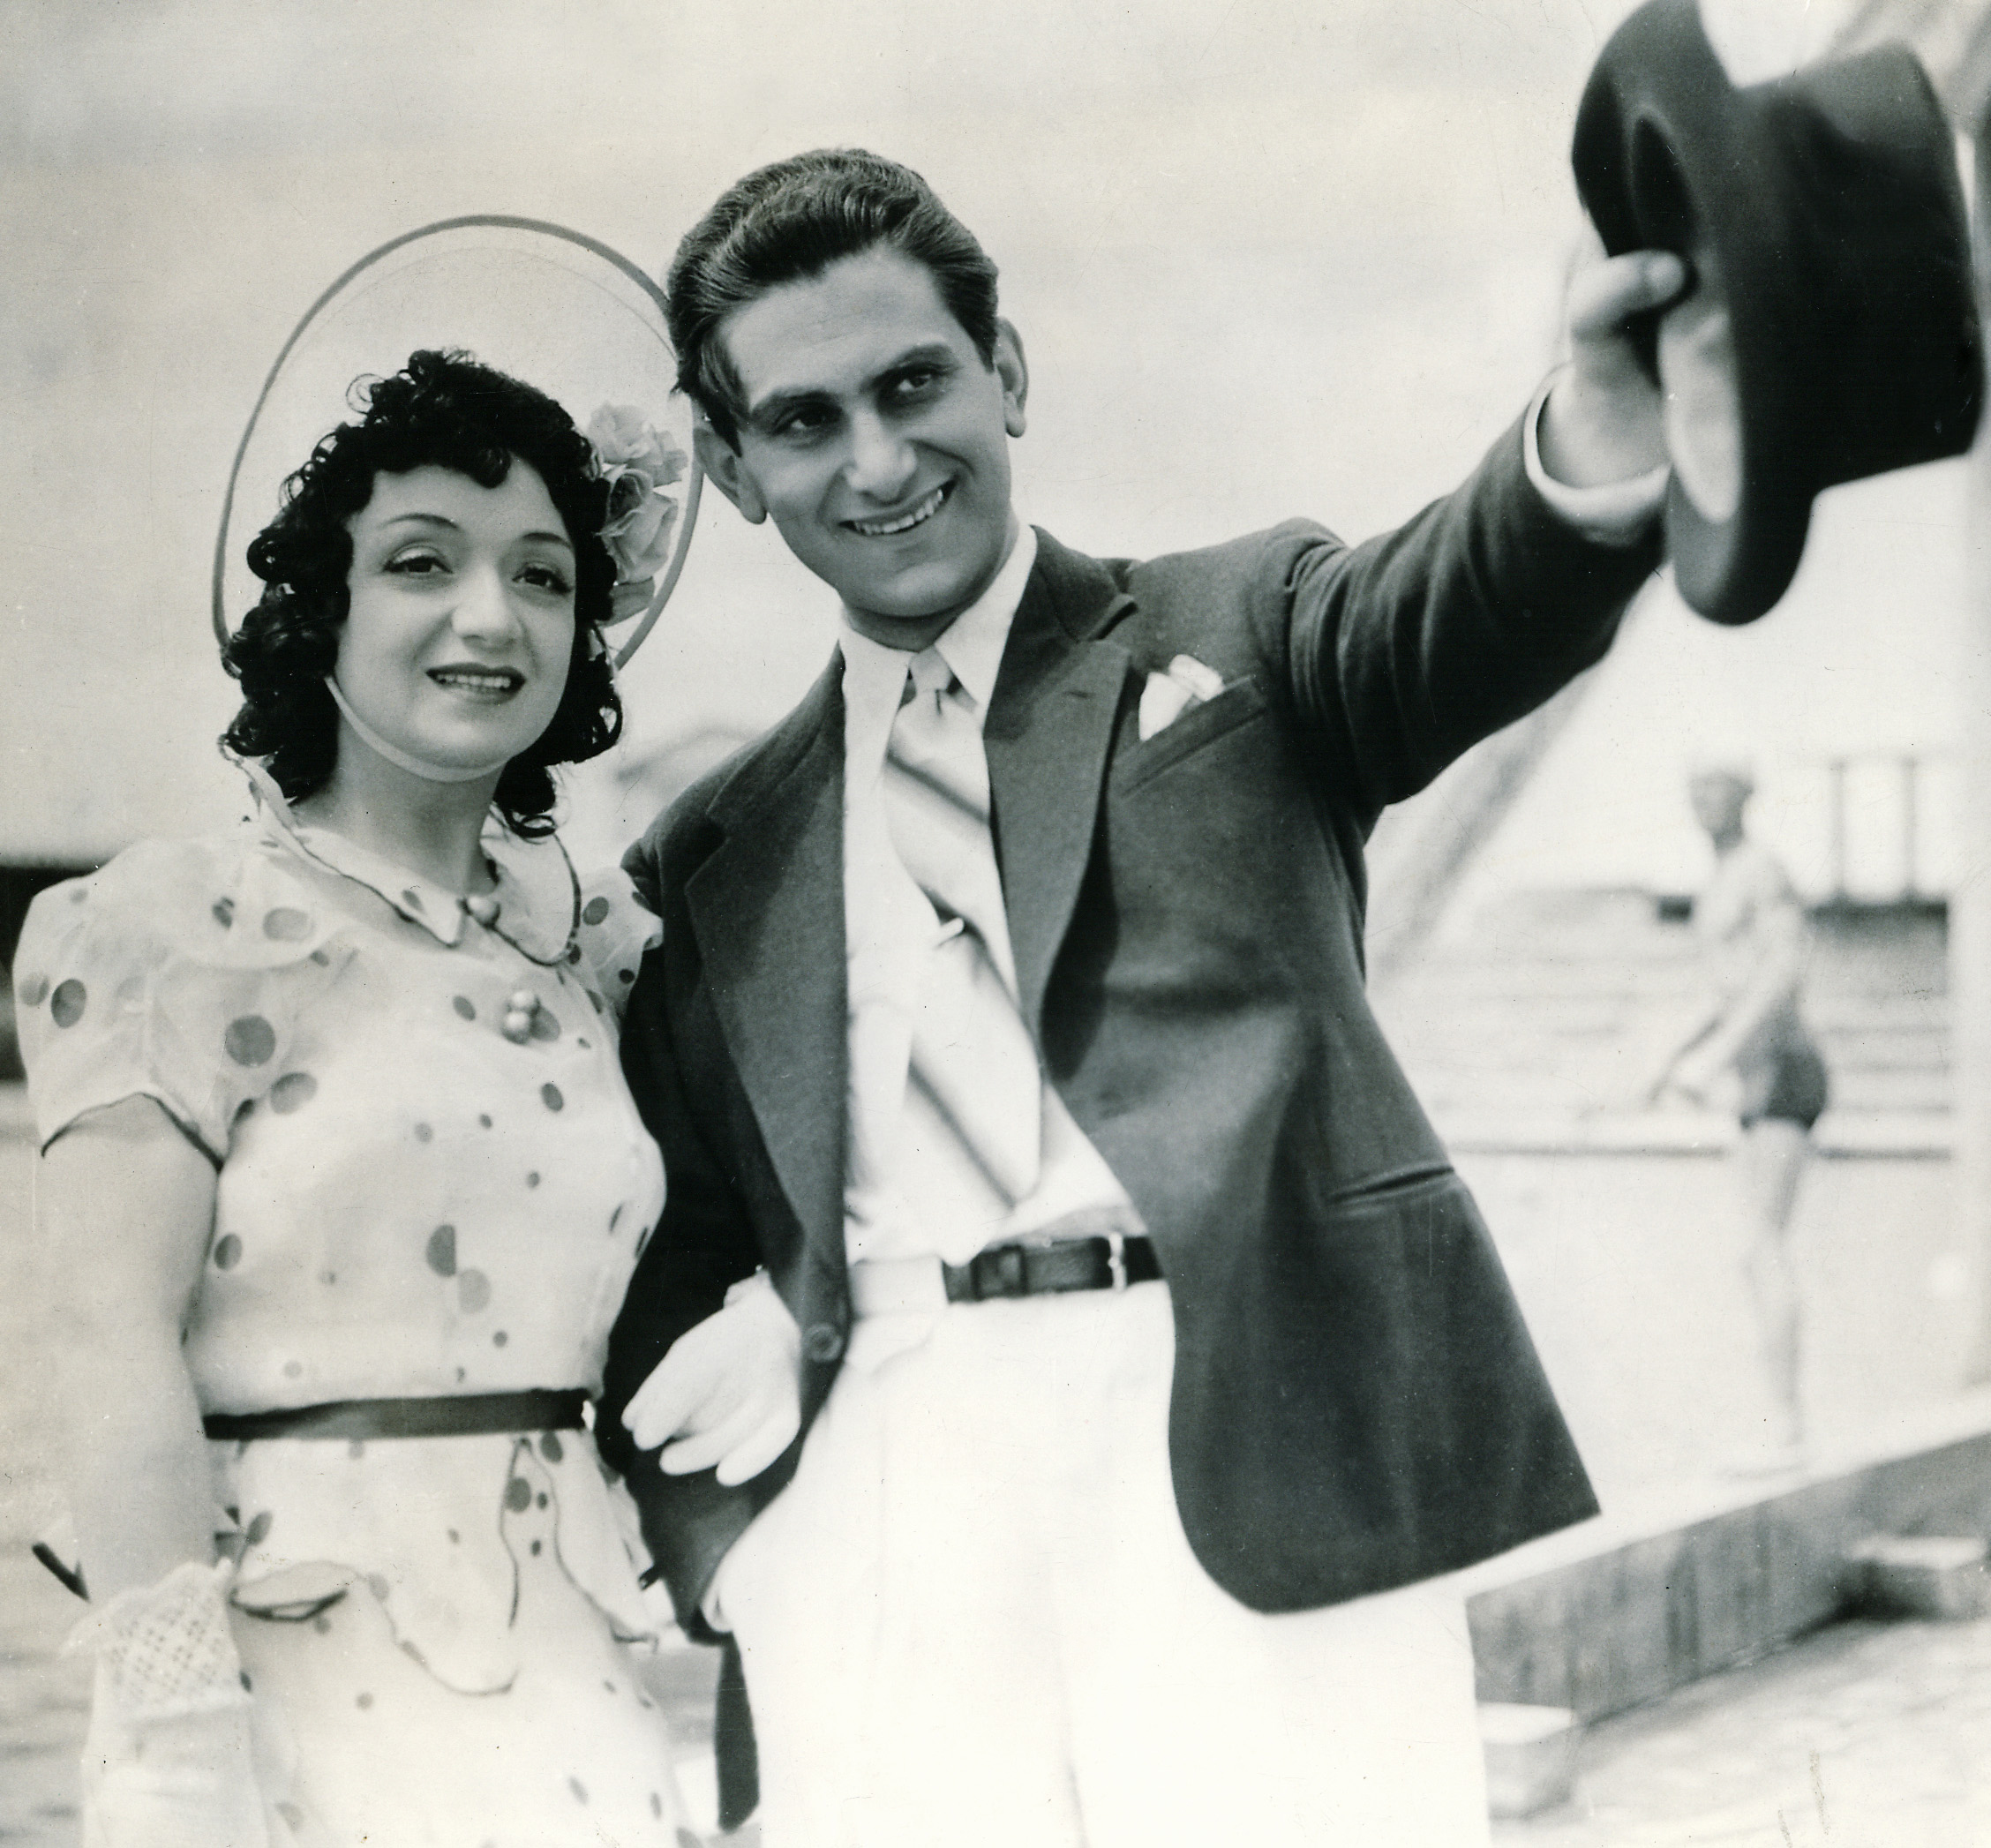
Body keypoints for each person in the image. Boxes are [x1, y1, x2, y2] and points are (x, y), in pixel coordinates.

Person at [597, 147, 1686, 1847]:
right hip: (885, 1502)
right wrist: (743, 1567)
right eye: (804, 422)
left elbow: (1452, 604)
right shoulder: (708, 855)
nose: (878, 459)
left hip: (1247, 1444)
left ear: (1006, 372)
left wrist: (1600, 433)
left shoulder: (1238, 629)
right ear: (734, 469)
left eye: (913, 383)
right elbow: (648, 1243)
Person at [13, 350, 702, 1846]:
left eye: (541, 573)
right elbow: (105, 1329)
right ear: (316, 610)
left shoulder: (592, 950)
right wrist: (179, 1729)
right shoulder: (167, 926)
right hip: (276, 1680)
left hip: (571, 1666)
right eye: (419, 563)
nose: (488, 614)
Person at [1648, 763, 1827, 1469]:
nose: (1704, 803)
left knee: (1762, 1247)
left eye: (1719, 789)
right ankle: (1778, 1419)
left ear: (1747, 797)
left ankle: (1787, 1428)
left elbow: (1781, 975)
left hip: (1783, 1070)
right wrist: (1665, 1060)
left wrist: (1716, 1056)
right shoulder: (1717, 883)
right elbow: (1722, 991)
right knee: (1750, 1255)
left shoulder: (1763, 870)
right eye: (1695, 789)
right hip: (1753, 1079)